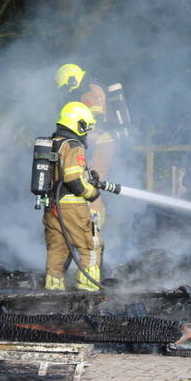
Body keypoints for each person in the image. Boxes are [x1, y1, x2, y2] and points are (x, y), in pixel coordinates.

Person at [43, 101, 119, 291]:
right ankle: (88, 292)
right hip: (72, 207)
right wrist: (92, 193)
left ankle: (53, 293)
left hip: (52, 206)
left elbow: (62, 174)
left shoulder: (53, 143)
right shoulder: (74, 145)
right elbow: (73, 180)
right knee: (91, 246)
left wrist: (88, 176)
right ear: (76, 123)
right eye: (85, 126)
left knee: (57, 250)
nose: (86, 131)